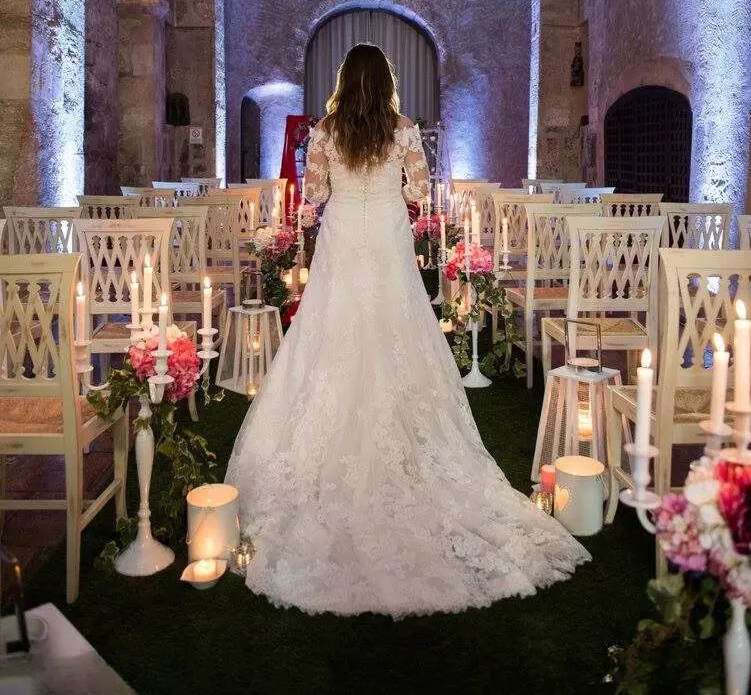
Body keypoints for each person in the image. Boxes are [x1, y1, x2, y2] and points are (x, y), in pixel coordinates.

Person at [226, 44, 588, 616]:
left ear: (345, 81)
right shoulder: (404, 130)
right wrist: (391, 183)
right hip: (387, 242)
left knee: (332, 335)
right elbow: (420, 194)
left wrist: (339, 178)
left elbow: (315, 195)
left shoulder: (323, 133)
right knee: (397, 329)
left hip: (344, 241)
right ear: (386, 81)